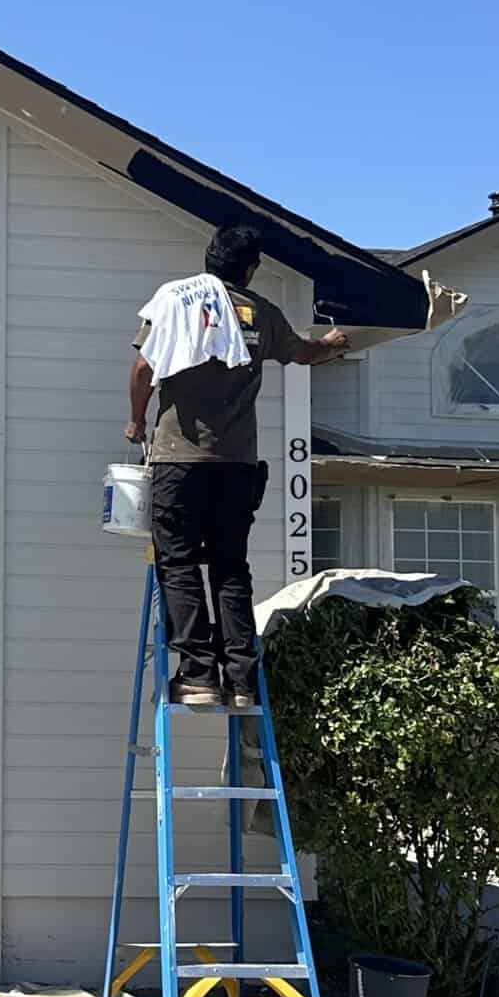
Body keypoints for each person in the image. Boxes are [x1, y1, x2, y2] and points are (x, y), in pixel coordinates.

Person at [124, 226, 349, 707]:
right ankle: (242, 682)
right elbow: (305, 353)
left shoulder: (177, 300)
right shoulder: (260, 314)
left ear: (209, 259)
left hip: (180, 462)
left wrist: (136, 420)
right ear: (251, 269)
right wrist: (332, 342)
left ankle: (198, 677)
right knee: (229, 568)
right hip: (236, 466)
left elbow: (144, 369)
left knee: (179, 564)